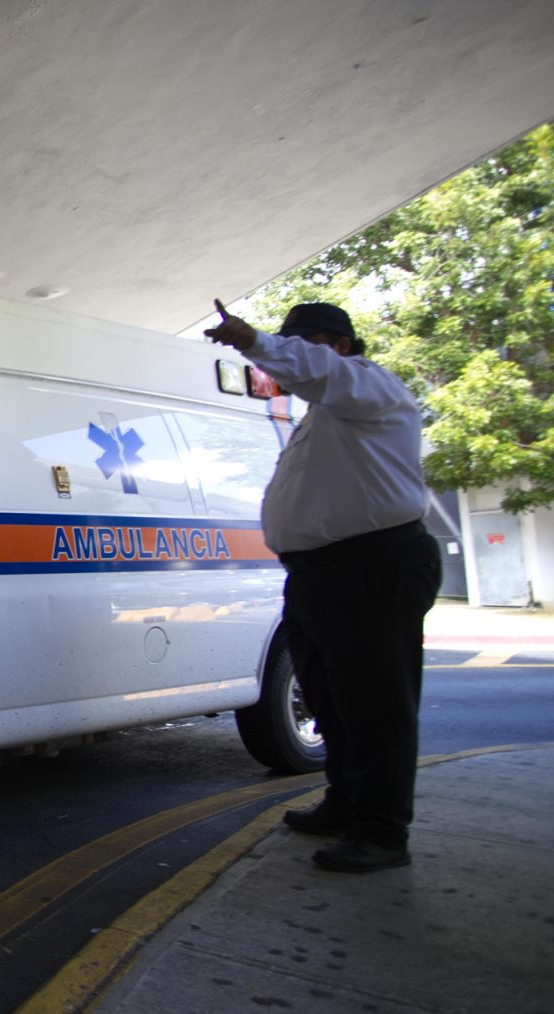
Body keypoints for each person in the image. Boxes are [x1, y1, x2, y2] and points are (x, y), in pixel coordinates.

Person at [205, 299, 442, 873]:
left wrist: (251, 339)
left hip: (372, 564)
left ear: (336, 344)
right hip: (322, 573)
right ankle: (347, 800)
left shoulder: (367, 385)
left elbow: (317, 372)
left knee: (376, 702)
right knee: (332, 698)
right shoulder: (328, 415)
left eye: (303, 344)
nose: (294, 359)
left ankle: (383, 830)